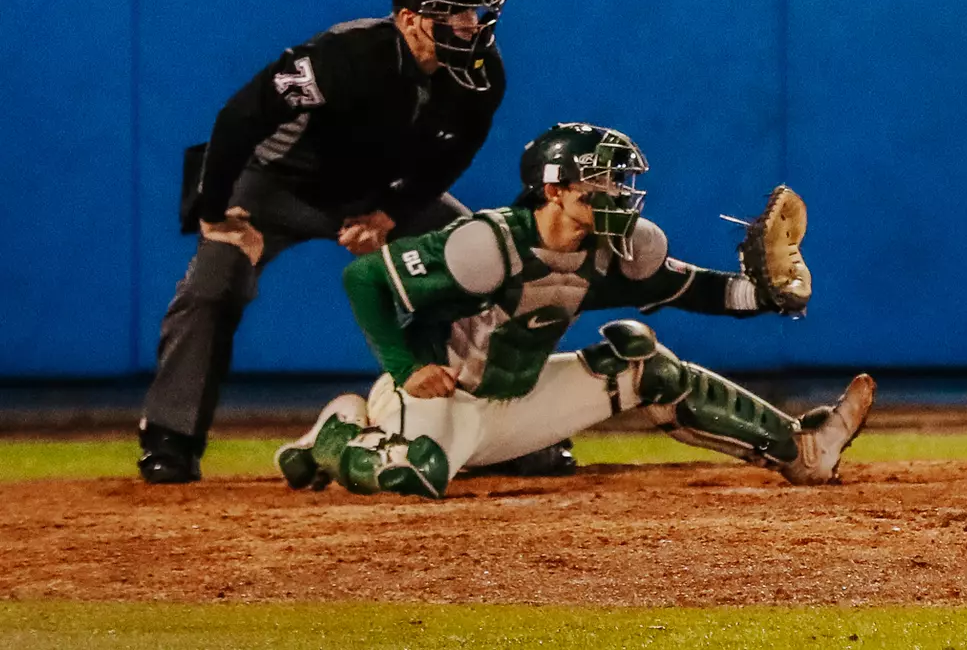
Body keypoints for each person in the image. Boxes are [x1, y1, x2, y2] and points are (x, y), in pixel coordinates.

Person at [275, 122, 874, 498]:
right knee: (416, 473)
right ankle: (339, 430)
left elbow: (693, 292)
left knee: (650, 368)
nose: (618, 194)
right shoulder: (487, 245)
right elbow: (364, 278)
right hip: (439, 398)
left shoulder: (617, 251)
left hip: (517, 404)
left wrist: (764, 294)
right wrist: (406, 369)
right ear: (556, 189)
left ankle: (803, 450)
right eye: (603, 183)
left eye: (621, 183)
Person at [137, 0, 508, 484]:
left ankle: (500, 432)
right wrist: (215, 212)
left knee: (483, 256)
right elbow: (242, 116)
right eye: (454, 12)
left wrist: (390, 213)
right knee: (214, 284)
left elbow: (454, 156)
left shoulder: (481, 73)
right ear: (408, 19)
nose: (469, 26)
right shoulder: (343, 56)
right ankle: (170, 438)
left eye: (475, 13)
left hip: (375, 193)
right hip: (276, 186)